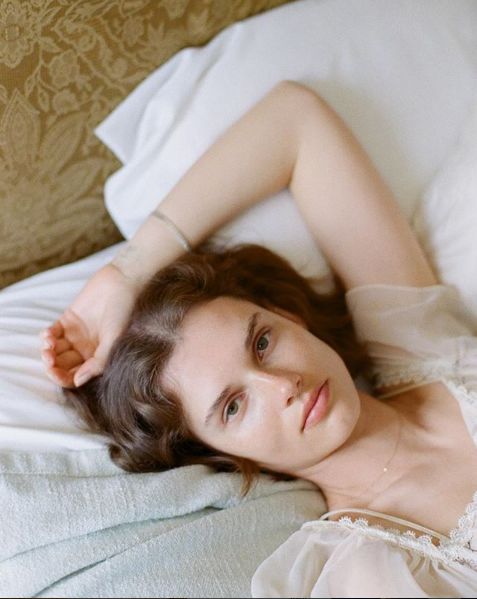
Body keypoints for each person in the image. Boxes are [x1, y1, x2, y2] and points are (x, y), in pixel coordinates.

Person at [40, 81, 477, 596]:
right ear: (220, 453)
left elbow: (295, 121)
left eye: (262, 343)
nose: (284, 385)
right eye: (233, 406)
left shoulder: (417, 342)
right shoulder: (366, 569)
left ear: (287, 314)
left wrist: (125, 273)